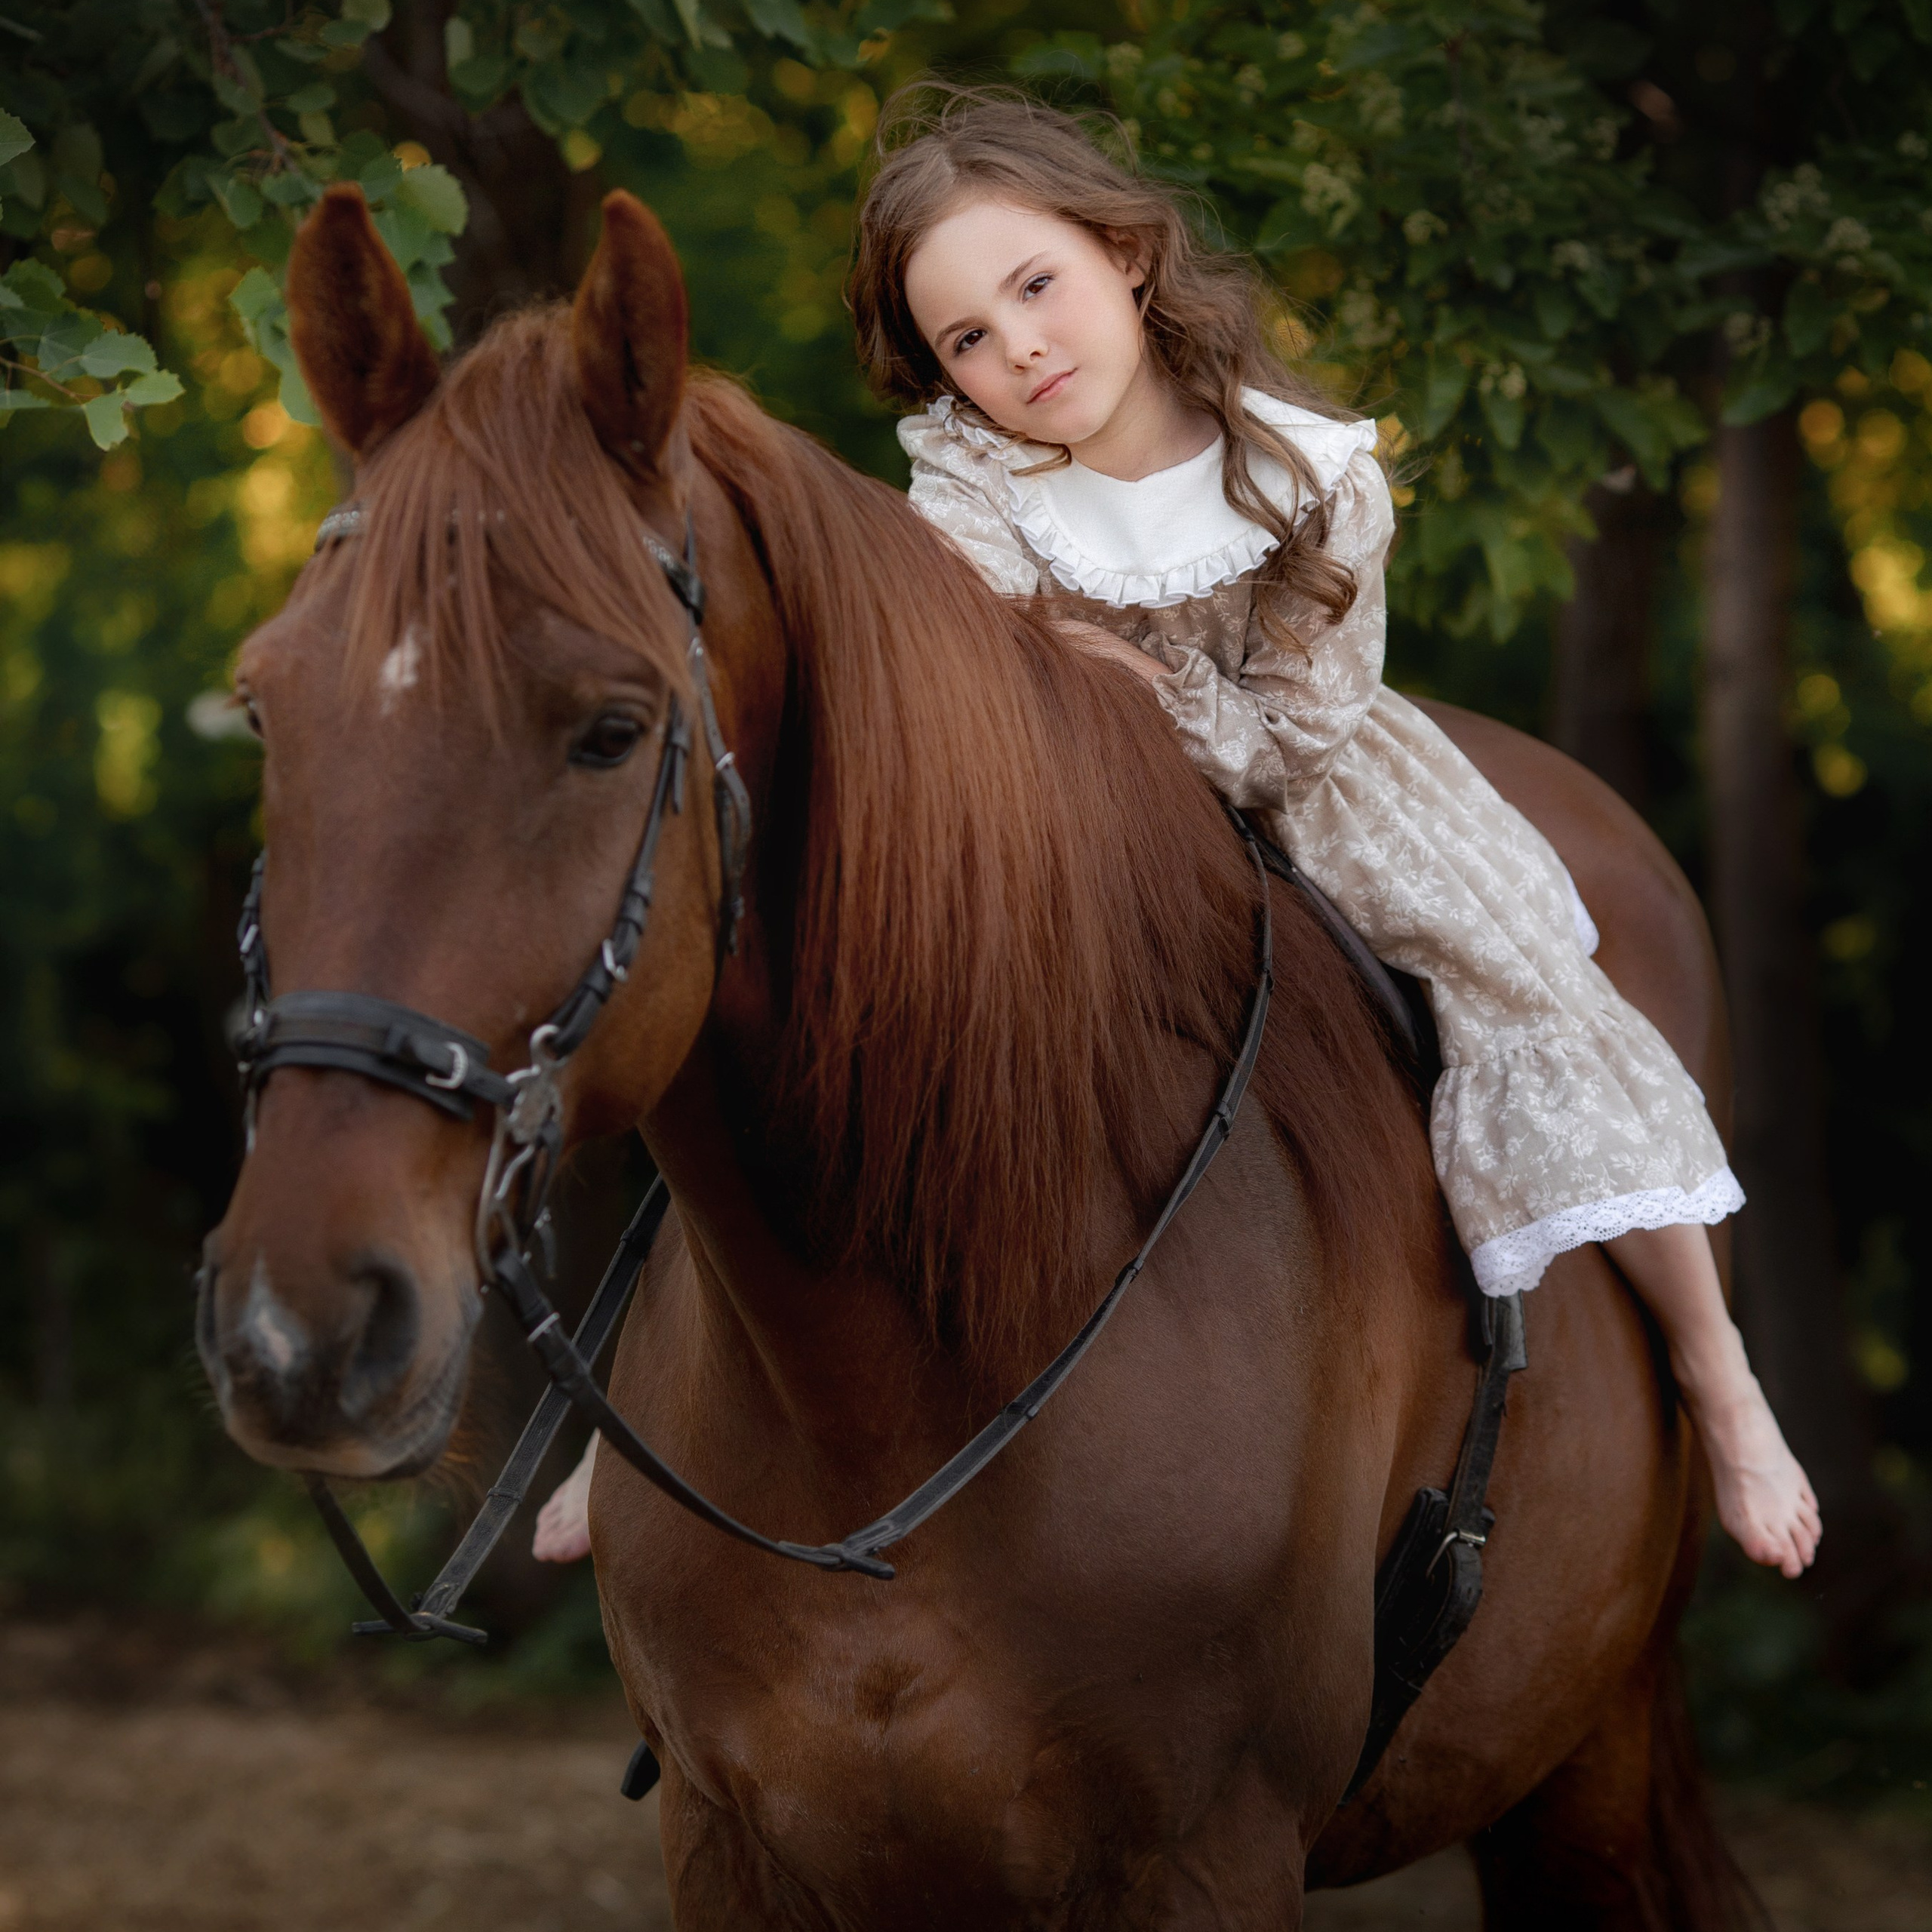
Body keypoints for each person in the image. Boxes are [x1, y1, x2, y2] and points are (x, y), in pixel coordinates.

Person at [537, 88, 1819, 1583]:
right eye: (963, 336)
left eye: (1034, 285)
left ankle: (1718, 1377)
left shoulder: (1302, 471)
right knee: (831, 1011)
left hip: (1307, 783)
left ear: (1125, 259)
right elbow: (961, 681)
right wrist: (1061, 697)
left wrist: (1117, 687)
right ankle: (638, 1412)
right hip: (1069, 804)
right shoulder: (969, 479)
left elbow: (1301, 727)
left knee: (1522, 991)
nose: (1015, 346)